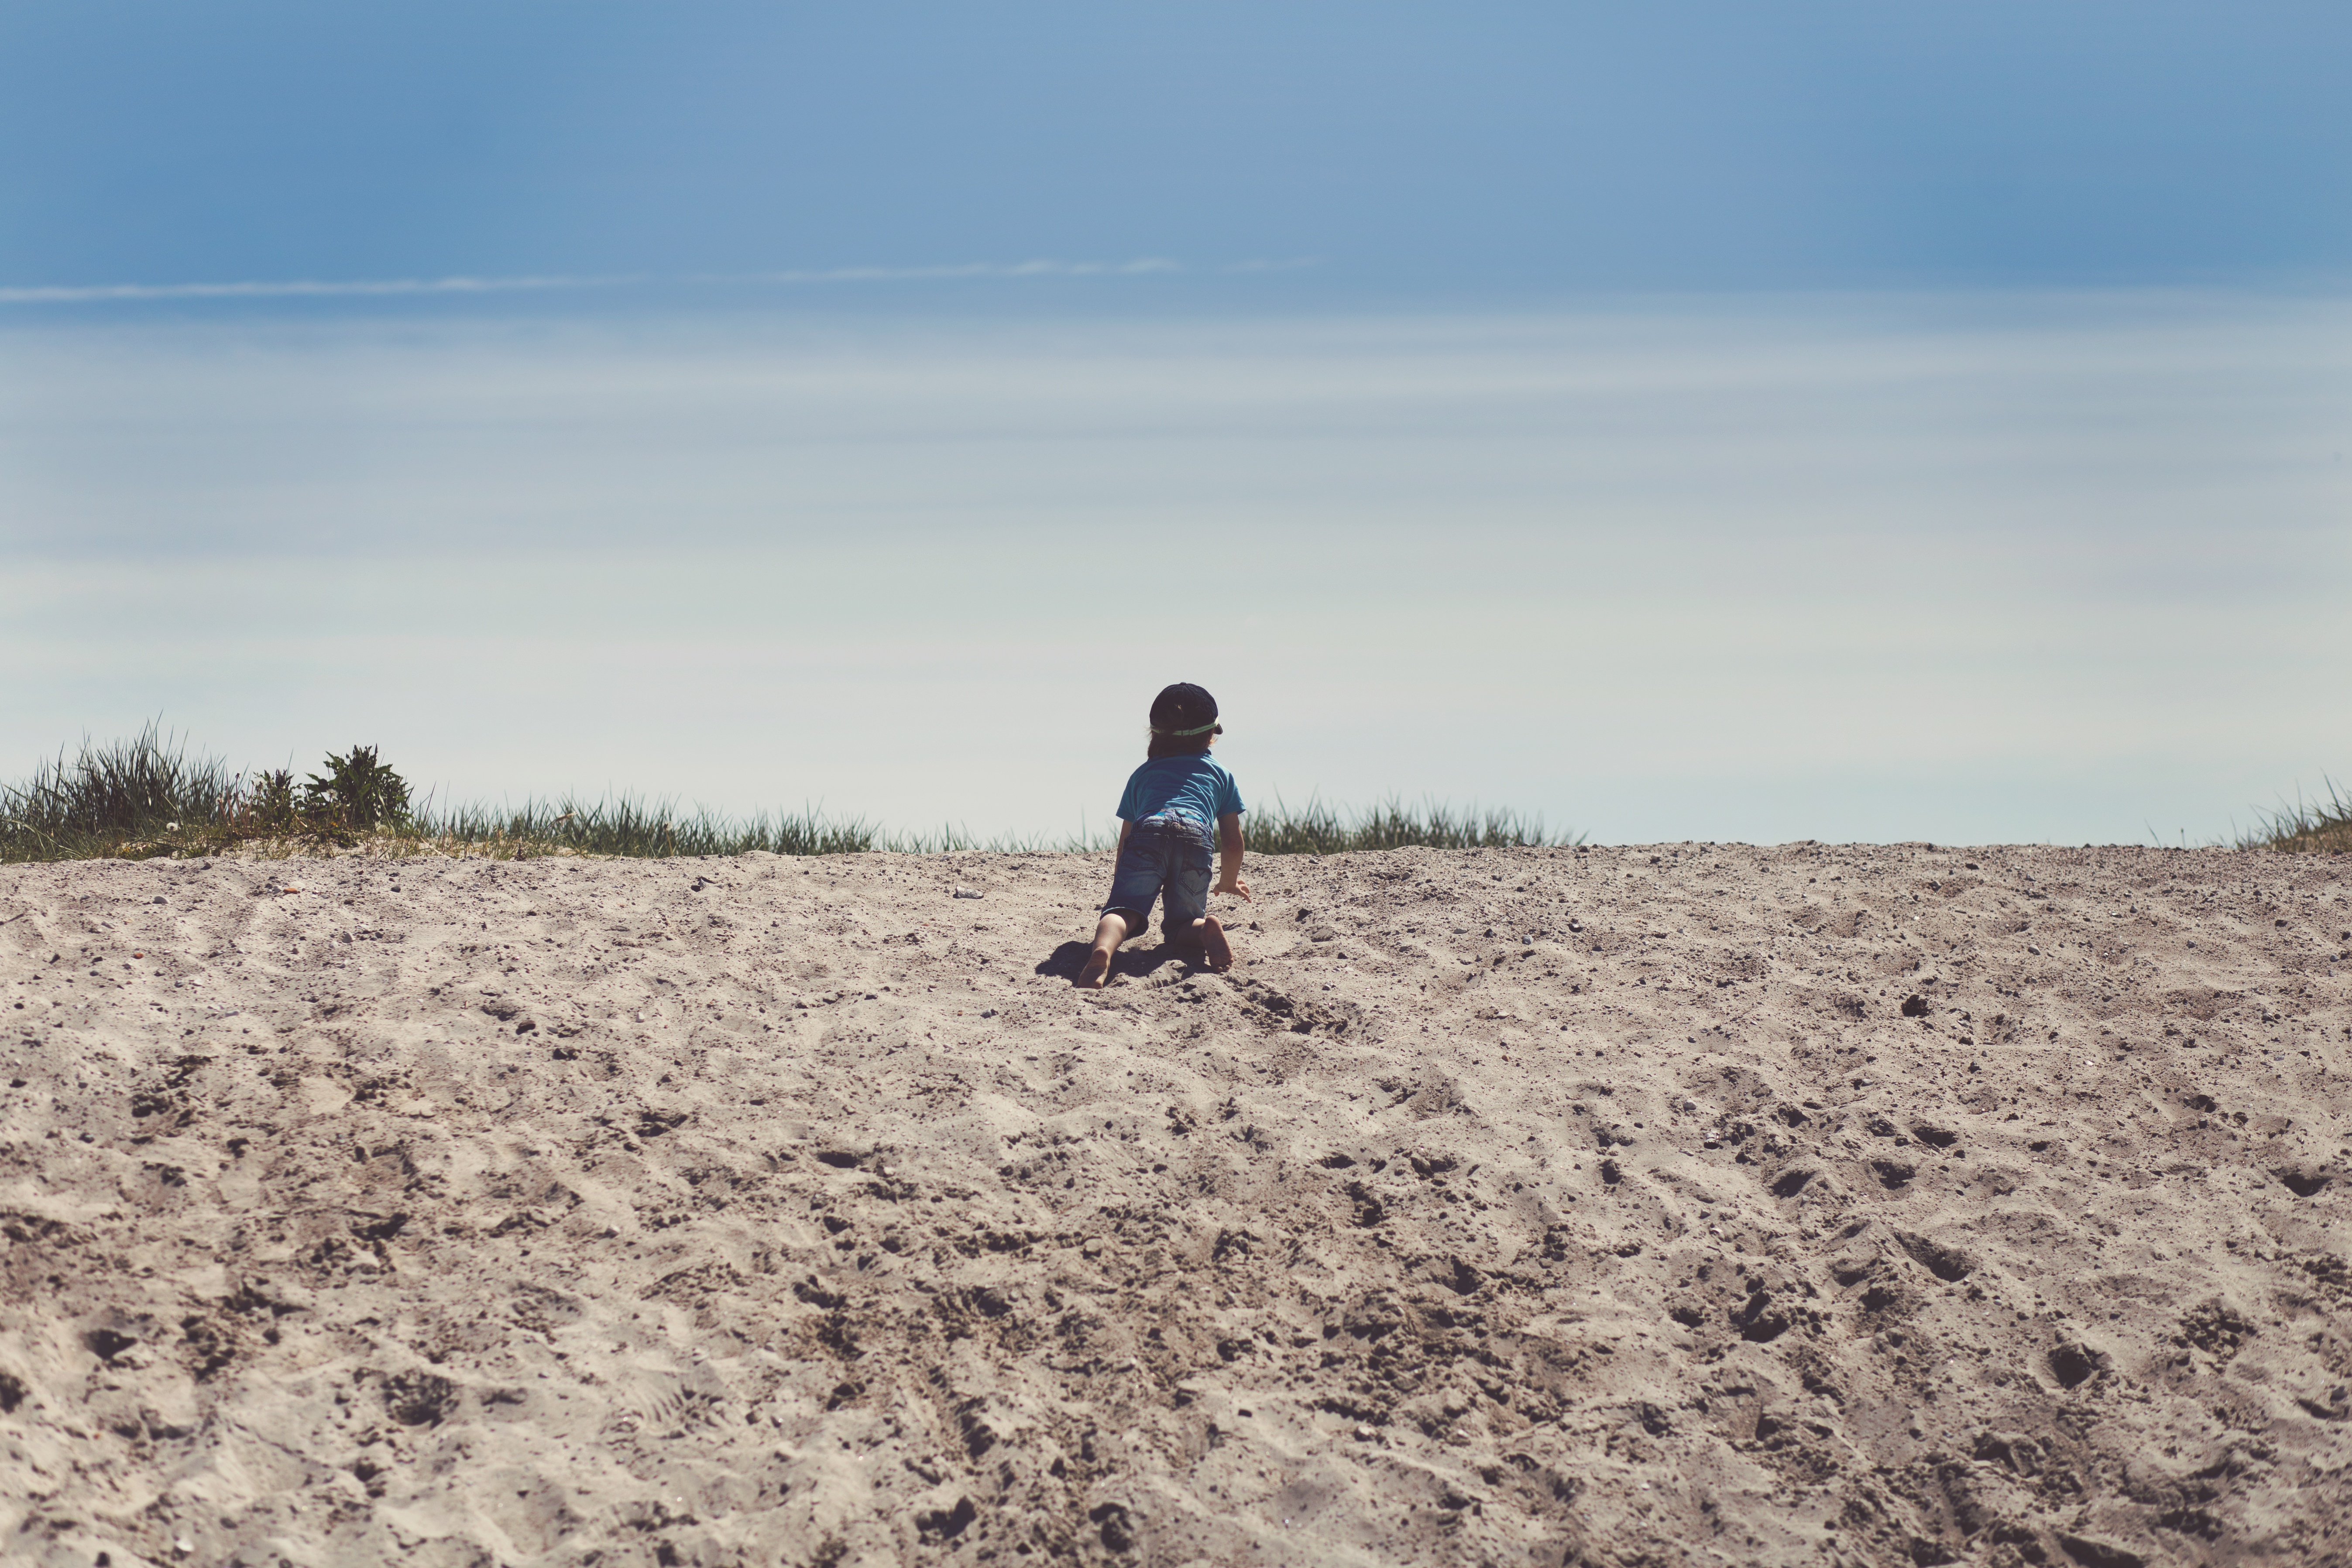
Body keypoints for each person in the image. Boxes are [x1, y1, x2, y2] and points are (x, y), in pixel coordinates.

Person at [1078, 683, 1252, 988]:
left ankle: (1104, 950)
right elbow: (1232, 840)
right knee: (1180, 924)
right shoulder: (1220, 774)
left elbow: (1126, 838)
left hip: (1149, 831)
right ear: (1210, 735)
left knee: (1123, 911)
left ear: (1155, 733)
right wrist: (1228, 880)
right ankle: (1202, 929)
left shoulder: (1142, 774)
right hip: (1195, 837)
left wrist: (1124, 876)